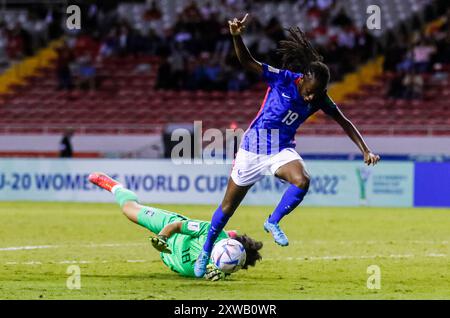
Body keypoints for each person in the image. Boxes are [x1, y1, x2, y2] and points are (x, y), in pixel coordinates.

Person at [194, 14, 381, 277]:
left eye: (318, 93)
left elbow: (344, 121)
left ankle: (272, 221)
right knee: (227, 208)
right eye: (310, 90)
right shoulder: (282, 79)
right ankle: (204, 253)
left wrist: (365, 149)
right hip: (251, 148)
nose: (312, 96)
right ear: (303, 78)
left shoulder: (319, 98)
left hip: (280, 150)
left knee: (302, 180)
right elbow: (247, 62)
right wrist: (237, 36)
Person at [88, 172, 263, 281]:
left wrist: (221, 275)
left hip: (171, 258)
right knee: (128, 210)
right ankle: (116, 187)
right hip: (170, 227)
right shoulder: (212, 231)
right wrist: (162, 238)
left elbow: (222, 270)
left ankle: (233, 233)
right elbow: (177, 225)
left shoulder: (223, 266)